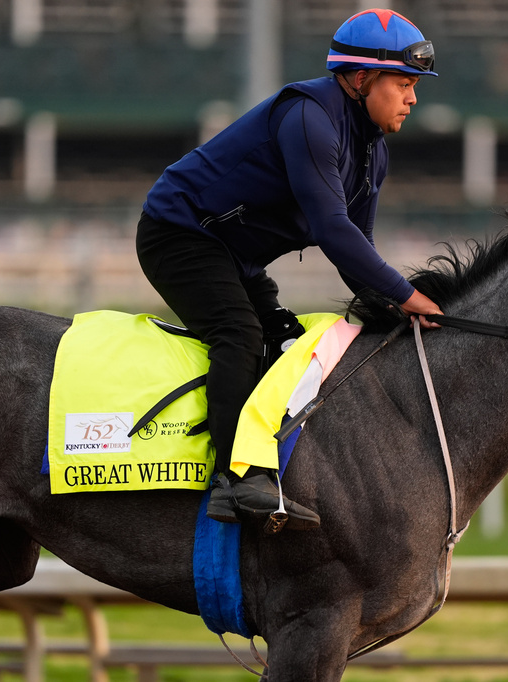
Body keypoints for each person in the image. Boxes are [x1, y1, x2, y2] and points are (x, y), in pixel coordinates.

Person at [136, 8, 443, 531]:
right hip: (178, 234)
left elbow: (359, 249)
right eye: (404, 84)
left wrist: (395, 310)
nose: (413, 98)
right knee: (240, 334)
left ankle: (278, 469)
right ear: (361, 79)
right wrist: (407, 295)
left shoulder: (373, 153)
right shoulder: (309, 117)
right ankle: (232, 480)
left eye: (414, 86)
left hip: (232, 254)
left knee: (284, 339)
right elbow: (333, 230)